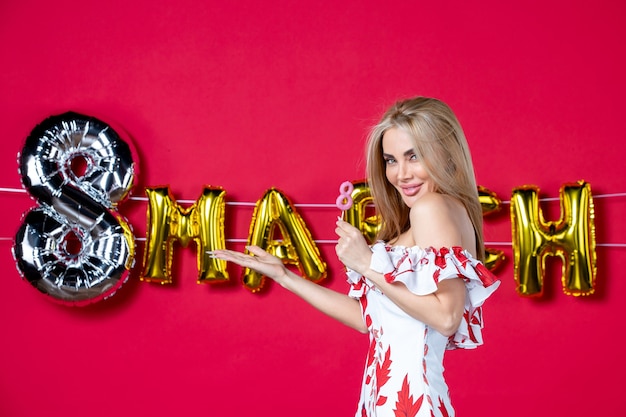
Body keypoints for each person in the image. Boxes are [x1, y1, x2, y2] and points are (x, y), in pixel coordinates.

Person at [210, 96, 500, 417]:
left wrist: (368, 266)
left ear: (444, 154)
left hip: (411, 405)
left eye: (413, 156)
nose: (401, 174)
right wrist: (284, 276)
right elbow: (369, 321)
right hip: (385, 401)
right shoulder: (430, 214)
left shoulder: (431, 209)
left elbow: (447, 317)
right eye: (391, 160)